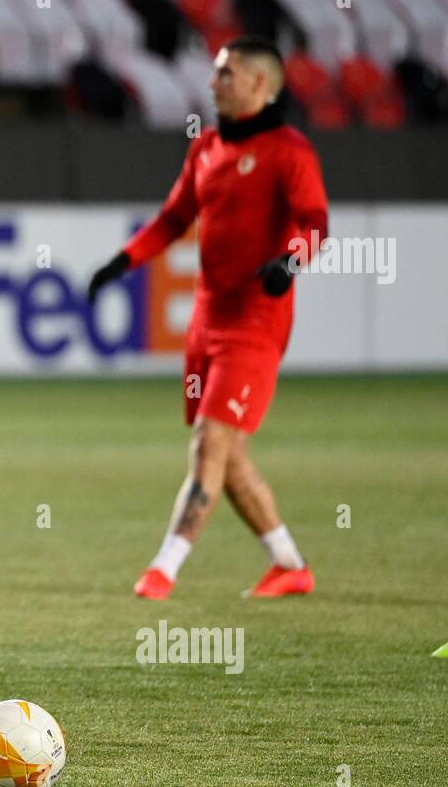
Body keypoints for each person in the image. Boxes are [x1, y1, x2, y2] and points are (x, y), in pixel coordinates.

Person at [88, 37, 327, 601]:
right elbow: (173, 220)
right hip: (206, 321)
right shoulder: (208, 147)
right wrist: (122, 261)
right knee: (228, 454)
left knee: (208, 445)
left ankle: (163, 568)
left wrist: (290, 260)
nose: (214, 82)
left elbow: (315, 220)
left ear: (261, 85)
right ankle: (289, 564)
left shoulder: (290, 151)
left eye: (227, 74)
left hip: (256, 323)